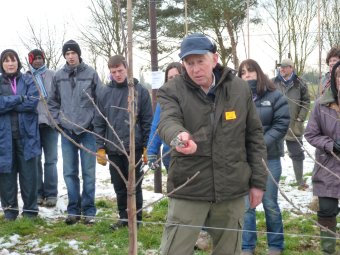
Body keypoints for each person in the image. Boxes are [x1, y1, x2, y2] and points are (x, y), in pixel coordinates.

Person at [157, 33, 267, 255]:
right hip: (189, 185)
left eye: (200, 61)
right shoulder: (172, 89)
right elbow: (168, 121)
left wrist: (258, 182)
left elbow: (254, 136)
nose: (195, 69)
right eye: (189, 63)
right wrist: (179, 137)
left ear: (214, 59)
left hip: (231, 187)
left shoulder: (239, 89)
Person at [93, 55, 152, 230]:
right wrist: (100, 147)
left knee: (135, 186)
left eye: (120, 70)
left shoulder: (139, 91)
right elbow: (99, 122)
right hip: (113, 148)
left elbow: (147, 120)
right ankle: (124, 218)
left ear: (127, 68)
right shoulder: (104, 93)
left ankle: (137, 220)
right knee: (119, 187)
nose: (117, 75)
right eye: (113, 72)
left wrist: (148, 146)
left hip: (134, 148)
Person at [238, 59, 290, 255]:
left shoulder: (275, 96)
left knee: (269, 203)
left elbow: (281, 124)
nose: (247, 75)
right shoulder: (237, 98)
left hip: (270, 158)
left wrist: (259, 145)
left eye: (250, 71)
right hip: (244, 160)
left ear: (259, 72)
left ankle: (275, 245)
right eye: (242, 73)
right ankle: (246, 246)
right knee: (246, 205)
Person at [48, 40, 102, 225]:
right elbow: (52, 102)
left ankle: (89, 210)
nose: (70, 56)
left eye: (73, 53)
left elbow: (99, 101)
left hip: (87, 131)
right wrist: (58, 122)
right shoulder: (58, 76)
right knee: (70, 172)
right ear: (64, 56)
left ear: (79, 54)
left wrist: (93, 124)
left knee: (88, 172)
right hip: (67, 131)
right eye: (67, 53)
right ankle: (73, 210)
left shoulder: (91, 74)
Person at [304, 60, 340, 255]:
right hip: (328, 167)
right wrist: (331, 145)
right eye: (339, 75)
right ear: (334, 79)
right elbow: (310, 134)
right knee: (326, 211)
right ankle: (328, 250)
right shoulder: (321, 105)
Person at [0, 49, 40, 220]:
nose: (10, 63)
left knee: (29, 175)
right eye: (6, 60)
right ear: (2, 64)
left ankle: (30, 212)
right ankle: (10, 211)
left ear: (18, 62)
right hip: (4, 137)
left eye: (13, 60)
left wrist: (8, 102)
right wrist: (19, 98)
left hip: (27, 135)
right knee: (6, 175)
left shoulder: (28, 79)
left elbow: (32, 102)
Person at [272, 59, 310, 190]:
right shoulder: (273, 82)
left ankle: (300, 181)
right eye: (280, 67)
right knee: (273, 153)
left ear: (291, 68)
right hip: (275, 124)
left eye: (284, 67)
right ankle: (272, 181)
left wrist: (300, 119)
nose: (281, 69)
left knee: (297, 153)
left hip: (294, 125)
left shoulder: (300, 83)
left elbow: (306, 102)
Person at [27, 49, 58, 207]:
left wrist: (57, 118)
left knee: (51, 161)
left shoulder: (53, 75)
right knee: (36, 160)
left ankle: (51, 193)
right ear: (30, 61)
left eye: (40, 58)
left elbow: (58, 97)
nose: (38, 61)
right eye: (35, 59)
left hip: (50, 124)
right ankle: (38, 193)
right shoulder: (26, 77)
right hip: (33, 125)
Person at [147, 62, 183, 171]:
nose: (173, 80)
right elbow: (157, 126)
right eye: (170, 78)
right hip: (169, 153)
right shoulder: (163, 101)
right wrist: (151, 151)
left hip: (189, 153)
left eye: (176, 76)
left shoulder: (192, 97)